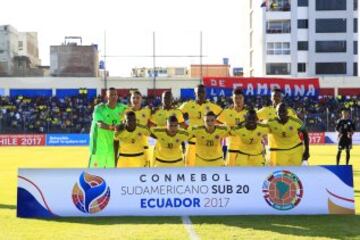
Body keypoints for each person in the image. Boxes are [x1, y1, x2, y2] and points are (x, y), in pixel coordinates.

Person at [179, 84, 222, 166]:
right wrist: (186, 127)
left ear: (205, 93)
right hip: (192, 143)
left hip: (206, 145)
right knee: (190, 169)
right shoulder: (188, 105)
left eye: (202, 92)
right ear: (195, 94)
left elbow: (223, 117)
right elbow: (176, 115)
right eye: (198, 92)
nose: (201, 94)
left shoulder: (211, 106)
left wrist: (215, 128)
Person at [88, 88, 127, 168]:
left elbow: (133, 111)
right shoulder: (99, 109)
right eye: (111, 95)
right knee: (93, 175)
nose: (114, 96)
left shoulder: (122, 108)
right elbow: (100, 124)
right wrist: (116, 128)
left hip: (113, 148)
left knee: (111, 174)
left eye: (115, 94)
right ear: (107, 97)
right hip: (99, 147)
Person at [217, 87, 247, 166]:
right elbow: (216, 124)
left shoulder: (248, 112)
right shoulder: (227, 112)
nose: (238, 100)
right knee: (231, 175)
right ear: (232, 99)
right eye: (236, 98)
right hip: (231, 148)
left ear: (243, 98)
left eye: (240, 98)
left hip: (245, 149)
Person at [126, 90, 152, 166]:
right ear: (130, 99)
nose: (135, 100)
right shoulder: (125, 111)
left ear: (141, 99)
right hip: (129, 148)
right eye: (133, 98)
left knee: (145, 172)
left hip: (143, 147)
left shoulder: (147, 111)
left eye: (138, 98)